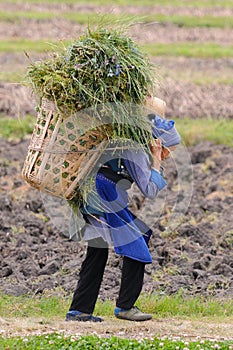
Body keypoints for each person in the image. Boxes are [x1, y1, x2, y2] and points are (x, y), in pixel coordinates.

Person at [65, 113, 181, 322]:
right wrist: (155, 161)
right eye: (167, 151)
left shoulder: (130, 145)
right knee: (136, 244)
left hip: (95, 191)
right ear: (157, 143)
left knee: (99, 249)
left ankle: (79, 311)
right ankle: (125, 307)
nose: (166, 157)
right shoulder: (135, 149)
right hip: (105, 193)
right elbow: (150, 190)